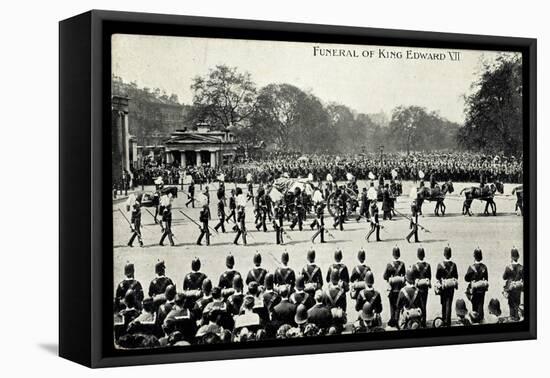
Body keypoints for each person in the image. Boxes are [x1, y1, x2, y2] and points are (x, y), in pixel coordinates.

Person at [435, 246, 458, 327]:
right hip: (451, 287)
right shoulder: (454, 265)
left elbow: (437, 276)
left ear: (444, 254)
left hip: (443, 287)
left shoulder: (440, 265)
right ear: (450, 254)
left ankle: (444, 319)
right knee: (449, 304)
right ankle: (448, 321)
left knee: (443, 303)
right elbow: (456, 276)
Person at [383, 246, 406, 328]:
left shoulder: (389, 265)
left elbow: (385, 276)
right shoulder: (402, 264)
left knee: (392, 306)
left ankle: (392, 320)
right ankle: (397, 320)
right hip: (400, 289)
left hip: (392, 289)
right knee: (398, 306)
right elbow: (404, 276)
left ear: (393, 255)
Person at [465, 248, 489, 320]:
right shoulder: (484, 267)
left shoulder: (471, 267)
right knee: (481, 305)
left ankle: (475, 321)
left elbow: (466, 279)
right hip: (482, 290)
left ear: (474, 256)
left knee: (474, 306)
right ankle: (481, 320)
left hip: (474, 291)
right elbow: (487, 279)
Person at [412, 247, 431, 327]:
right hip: (425, 289)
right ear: (424, 255)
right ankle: (424, 322)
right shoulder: (428, 266)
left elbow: (413, 279)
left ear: (417, 255)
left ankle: (418, 321)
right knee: (424, 305)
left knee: (417, 305)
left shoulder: (414, 266)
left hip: (417, 289)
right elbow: (429, 277)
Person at [502, 247, 523, 320]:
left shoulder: (508, 267)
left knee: (511, 305)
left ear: (511, 257)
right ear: (518, 257)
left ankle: (512, 319)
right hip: (518, 289)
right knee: (517, 304)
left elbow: (504, 277)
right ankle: (517, 318)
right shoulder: (521, 267)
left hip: (510, 289)